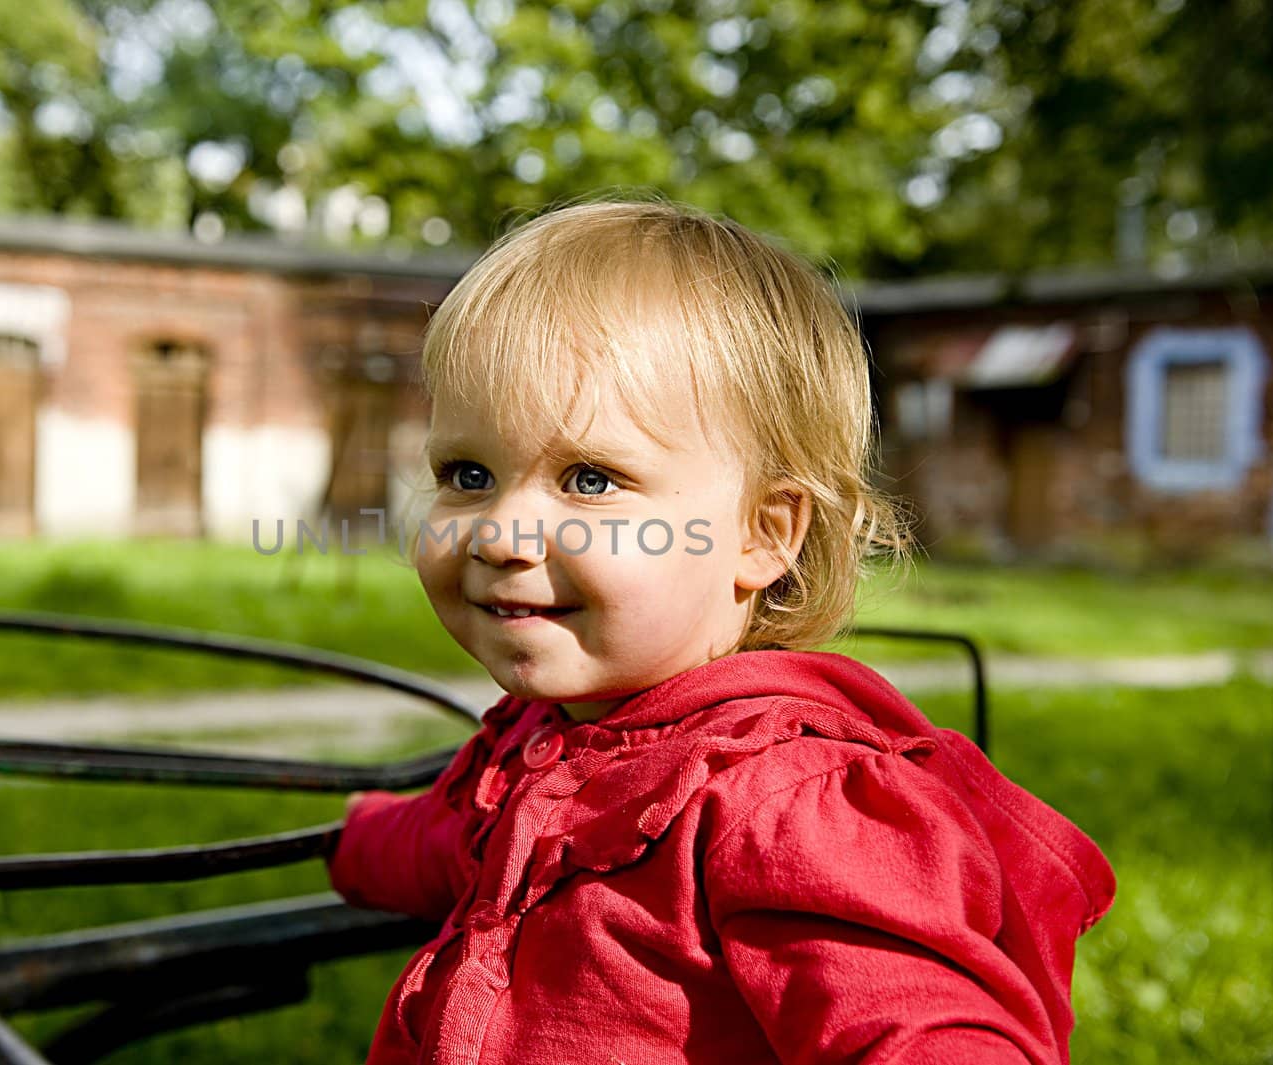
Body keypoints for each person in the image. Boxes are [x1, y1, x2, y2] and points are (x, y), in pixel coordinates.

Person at [324, 197, 1115, 1065]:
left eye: (589, 480)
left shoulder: (781, 803)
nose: (500, 534)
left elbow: (925, 1035)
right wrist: (354, 839)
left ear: (762, 534)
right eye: (467, 472)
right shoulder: (555, 739)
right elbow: (456, 841)